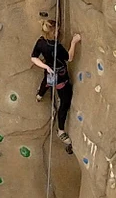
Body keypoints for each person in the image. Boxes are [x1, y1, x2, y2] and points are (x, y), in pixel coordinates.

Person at [30, 16, 82, 151]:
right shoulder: (57, 46)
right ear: (52, 33)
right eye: (57, 31)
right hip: (60, 76)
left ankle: (39, 95)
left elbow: (34, 57)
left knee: (46, 82)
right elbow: (69, 58)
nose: (59, 32)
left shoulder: (40, 42)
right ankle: (60, 130)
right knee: (64, 102)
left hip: (49, 71)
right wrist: (74, 43)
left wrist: (45, 67)